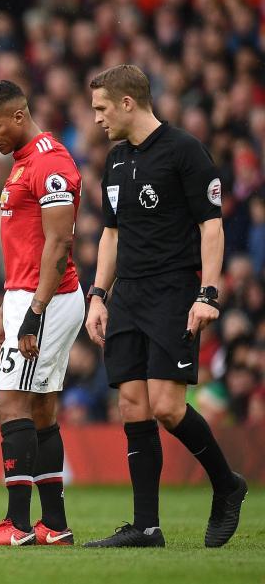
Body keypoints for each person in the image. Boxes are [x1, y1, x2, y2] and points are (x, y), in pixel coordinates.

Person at [83, 65, 247, 548]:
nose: (96, 118)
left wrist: (207, 293)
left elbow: (210, 226)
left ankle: (227, 484)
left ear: (128, 103)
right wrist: (98, 294)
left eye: (101, 108)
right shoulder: (114, 160)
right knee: (132, 404)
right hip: (128, 294)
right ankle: (146, 527)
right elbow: (110, 233)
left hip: (173, 290)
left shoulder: (184, 151)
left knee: (168, 407)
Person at [0, 80, 84, 546]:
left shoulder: (50, 163)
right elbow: (27, 248)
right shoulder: (24, 163)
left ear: (19, 116)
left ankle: (16, 526)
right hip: (28, 296)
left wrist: (34, 311)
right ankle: (54, 525)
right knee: (39, 408)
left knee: (7, 402)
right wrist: (6, 312)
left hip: (49, 299)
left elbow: (59, 244)